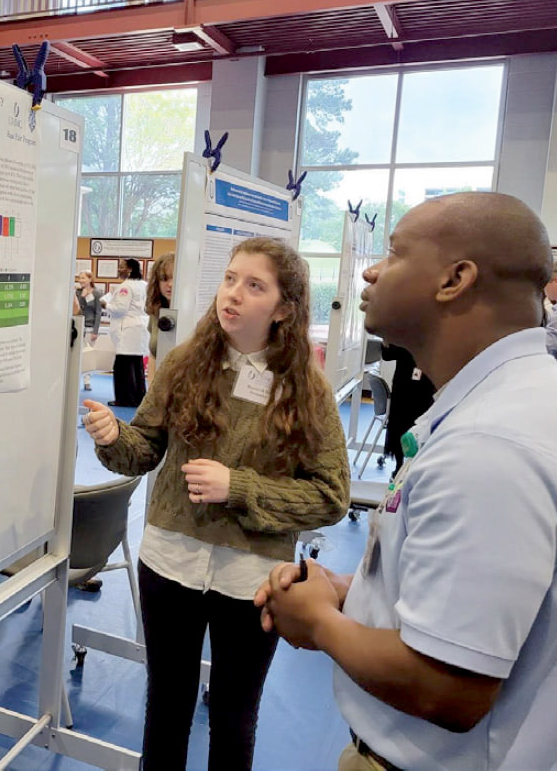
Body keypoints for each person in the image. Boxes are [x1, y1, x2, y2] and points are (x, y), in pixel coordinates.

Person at [255, 192, 557, 771]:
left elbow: (447, 688)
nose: (370, 270)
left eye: (393, 253)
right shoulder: (513, 406)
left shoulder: (493, 446)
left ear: (455, 279)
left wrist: (319, 621)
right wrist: (353, 593)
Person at [83, 237, 350, 770]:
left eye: (255, 286)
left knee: (232, 718)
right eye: (230, 279)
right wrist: (113, 437)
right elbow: (145, 450)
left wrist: (241, 487)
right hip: (168, 563)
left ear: (284, 309)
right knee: (166, 709)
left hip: (251, 580)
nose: (234, 295)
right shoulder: (184, 364)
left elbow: (331, 495)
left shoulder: (306, 393)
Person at [379, 343, 435, 471]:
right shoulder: (403, 332)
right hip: (403, 386)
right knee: (400, 425)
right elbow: (387, 355)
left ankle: (417, 463)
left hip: (423, 386)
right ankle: (399, 465)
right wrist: (385, 341)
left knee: (420, 423)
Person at [105, 257, 150, 407]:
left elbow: (120, 309)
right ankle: (138, 397)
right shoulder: (144, 285)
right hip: (141, 327)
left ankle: (125, 398)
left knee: (123, 367)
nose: (119, 269)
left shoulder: (127, 286)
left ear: (130, 270)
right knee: (137, 366)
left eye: (122, 267)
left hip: (129, 328)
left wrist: (106, 304)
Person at [145, 252, 174, 384]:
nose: (170, 284)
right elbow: (153, 356)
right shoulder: (156, 314)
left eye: (174, 278)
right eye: (164, 279)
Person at [74, 271, 105, 391]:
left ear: (90, 279)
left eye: (83, 278)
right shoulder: (77, 292)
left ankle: (87, 381)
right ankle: (76, 379)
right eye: (79, 278)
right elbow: (78, 310)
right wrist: (82, 297)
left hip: (90, 327)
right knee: (78, 354)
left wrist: (95, 331)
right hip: (79, 327)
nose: (81, 280)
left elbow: (98, 313)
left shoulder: (97, 293)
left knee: (88, 354)